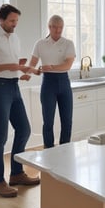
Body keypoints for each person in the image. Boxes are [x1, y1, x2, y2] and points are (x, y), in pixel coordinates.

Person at [0, 4, 40, 198]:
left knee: (24, 129)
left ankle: (16, 173)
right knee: (1, 136)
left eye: (17, 21)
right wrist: (14, 66)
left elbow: (9, 64)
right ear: (2, 20)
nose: (15, 24)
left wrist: (23, 68)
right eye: (12, 21)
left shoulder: (15, 38)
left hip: (14, 86)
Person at [28, 15, 76, 148]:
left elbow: (67, 65)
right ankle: (49, 150)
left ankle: (65, 149)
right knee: (48, 121)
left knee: (67, 120)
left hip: (64, 83)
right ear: (49, 27)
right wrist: (32, 71)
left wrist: (52, 67)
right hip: (48, 84)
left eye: (61, 27)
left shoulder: (68, 43)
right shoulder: (40, 44)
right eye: (55, 27)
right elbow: (32, 63)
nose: (58, 30)